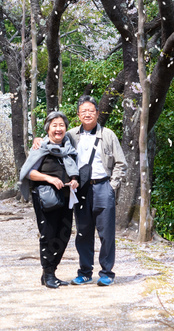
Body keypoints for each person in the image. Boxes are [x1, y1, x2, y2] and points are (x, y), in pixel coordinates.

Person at [33, 96, 126, 286]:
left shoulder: (108, 135)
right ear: (78, 115)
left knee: (106, 233)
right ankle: (85, 272)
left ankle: (107, 272)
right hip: (80, 188)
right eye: (83, 111)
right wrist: (37, 140)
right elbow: (53, 139)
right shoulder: (71, 135)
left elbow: (121, 163)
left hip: (102, 186)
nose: (87, 114)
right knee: (83, 231)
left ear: (97, 113)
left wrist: (112, 186)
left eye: (91, 111)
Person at [18, 111, 80, 288]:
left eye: (61, 125)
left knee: (64, 235)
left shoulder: (69, 149)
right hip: (46, 198)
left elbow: (73, 170)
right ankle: (48, 273)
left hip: (67, 197)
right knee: (48, 235)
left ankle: (50, 273)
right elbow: (29, 172)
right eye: (54, 125)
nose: (58, 129)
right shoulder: (40, 147)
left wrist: (74, 180)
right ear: (48, 129)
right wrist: (49, 178)